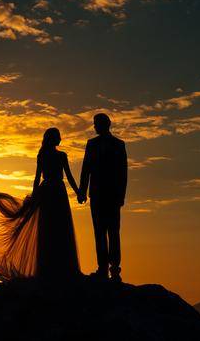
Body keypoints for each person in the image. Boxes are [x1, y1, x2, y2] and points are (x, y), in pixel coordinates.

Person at [0, 128, 81, 281]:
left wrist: (37, 195)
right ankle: (59, 269)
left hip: (50, 192)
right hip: (55, 192)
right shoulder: (54, 156)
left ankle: (52, 269)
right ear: (53, 138)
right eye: (58, 136)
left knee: (53, 228)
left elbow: (40, 179)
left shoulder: (50, 155)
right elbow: (53, 178)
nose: (60, 139)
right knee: (55, 228)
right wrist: (77, 192)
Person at [77, 112, 127, 281]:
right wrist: (82, 191)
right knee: (99, 232)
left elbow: (123, 172)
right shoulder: (91, 144)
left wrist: (121, 195)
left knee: (113, 232)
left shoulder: (119, 145)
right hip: (97, 195)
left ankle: (115, 269)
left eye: (96, 123)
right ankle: (102, 268)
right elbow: (86, 169)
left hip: (112, 196)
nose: (94, 126)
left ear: (104, 124)